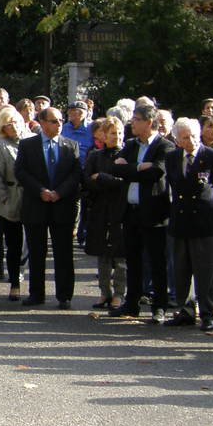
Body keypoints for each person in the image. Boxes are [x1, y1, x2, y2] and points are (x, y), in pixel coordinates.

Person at [109, 104, 178, 319]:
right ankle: (132, 304)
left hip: (155, 213)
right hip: (130, 212)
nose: (132, 123)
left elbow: (156, 173)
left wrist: (129, 168)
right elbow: (115, 168)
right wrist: (139, 167)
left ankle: (159, 306)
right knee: (133, 260)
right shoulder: (131, 145)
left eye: (136, 119)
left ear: (149, 122)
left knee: (157, 261)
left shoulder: (165, 146)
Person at [13, 107, 81, 309]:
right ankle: (36, 294)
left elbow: (75, 175)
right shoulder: (28, 145)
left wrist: (59, 192)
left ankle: (64, 295)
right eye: (53, 121)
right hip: (36, 205)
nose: (59, 124)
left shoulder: (71, 146)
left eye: (60, 120)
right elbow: (20, 171)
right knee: (36, 252)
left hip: (62, 206)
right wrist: (40, 190)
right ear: (42, 122)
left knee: (63, 253)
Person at [164, 117, 213, 331]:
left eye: (192, 136)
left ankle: (208, 313)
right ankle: (185, 310)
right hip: (181, 221)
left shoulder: (211, 156)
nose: (190, 141)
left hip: (204, 223)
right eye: (184, 137)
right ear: (177, 140)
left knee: (205, 271)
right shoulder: (172, 157)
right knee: (181, 270)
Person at [83, 116, 128, 312]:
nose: (116, 137)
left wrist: (102, 178)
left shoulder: (127, 154)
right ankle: (104, 292)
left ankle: (119, 293)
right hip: (100, 209)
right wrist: (106, 182)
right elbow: (87, 181)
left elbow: (124, 182)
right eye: (112, 133)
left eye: (119, 133)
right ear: (104, 135)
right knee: (102, 254)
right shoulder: (95, 156)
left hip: (121, 209)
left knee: (120, 255)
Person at [0, 105, 28, 301]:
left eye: (17, 122)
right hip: (11, 197)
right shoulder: (0, 145)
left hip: (32, 197)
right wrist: (3, 198)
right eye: (9, 124)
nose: (14, 126)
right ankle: (14, 283)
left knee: (32, 243)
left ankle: (32, 282)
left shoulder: (31, 140)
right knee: (13, 243)